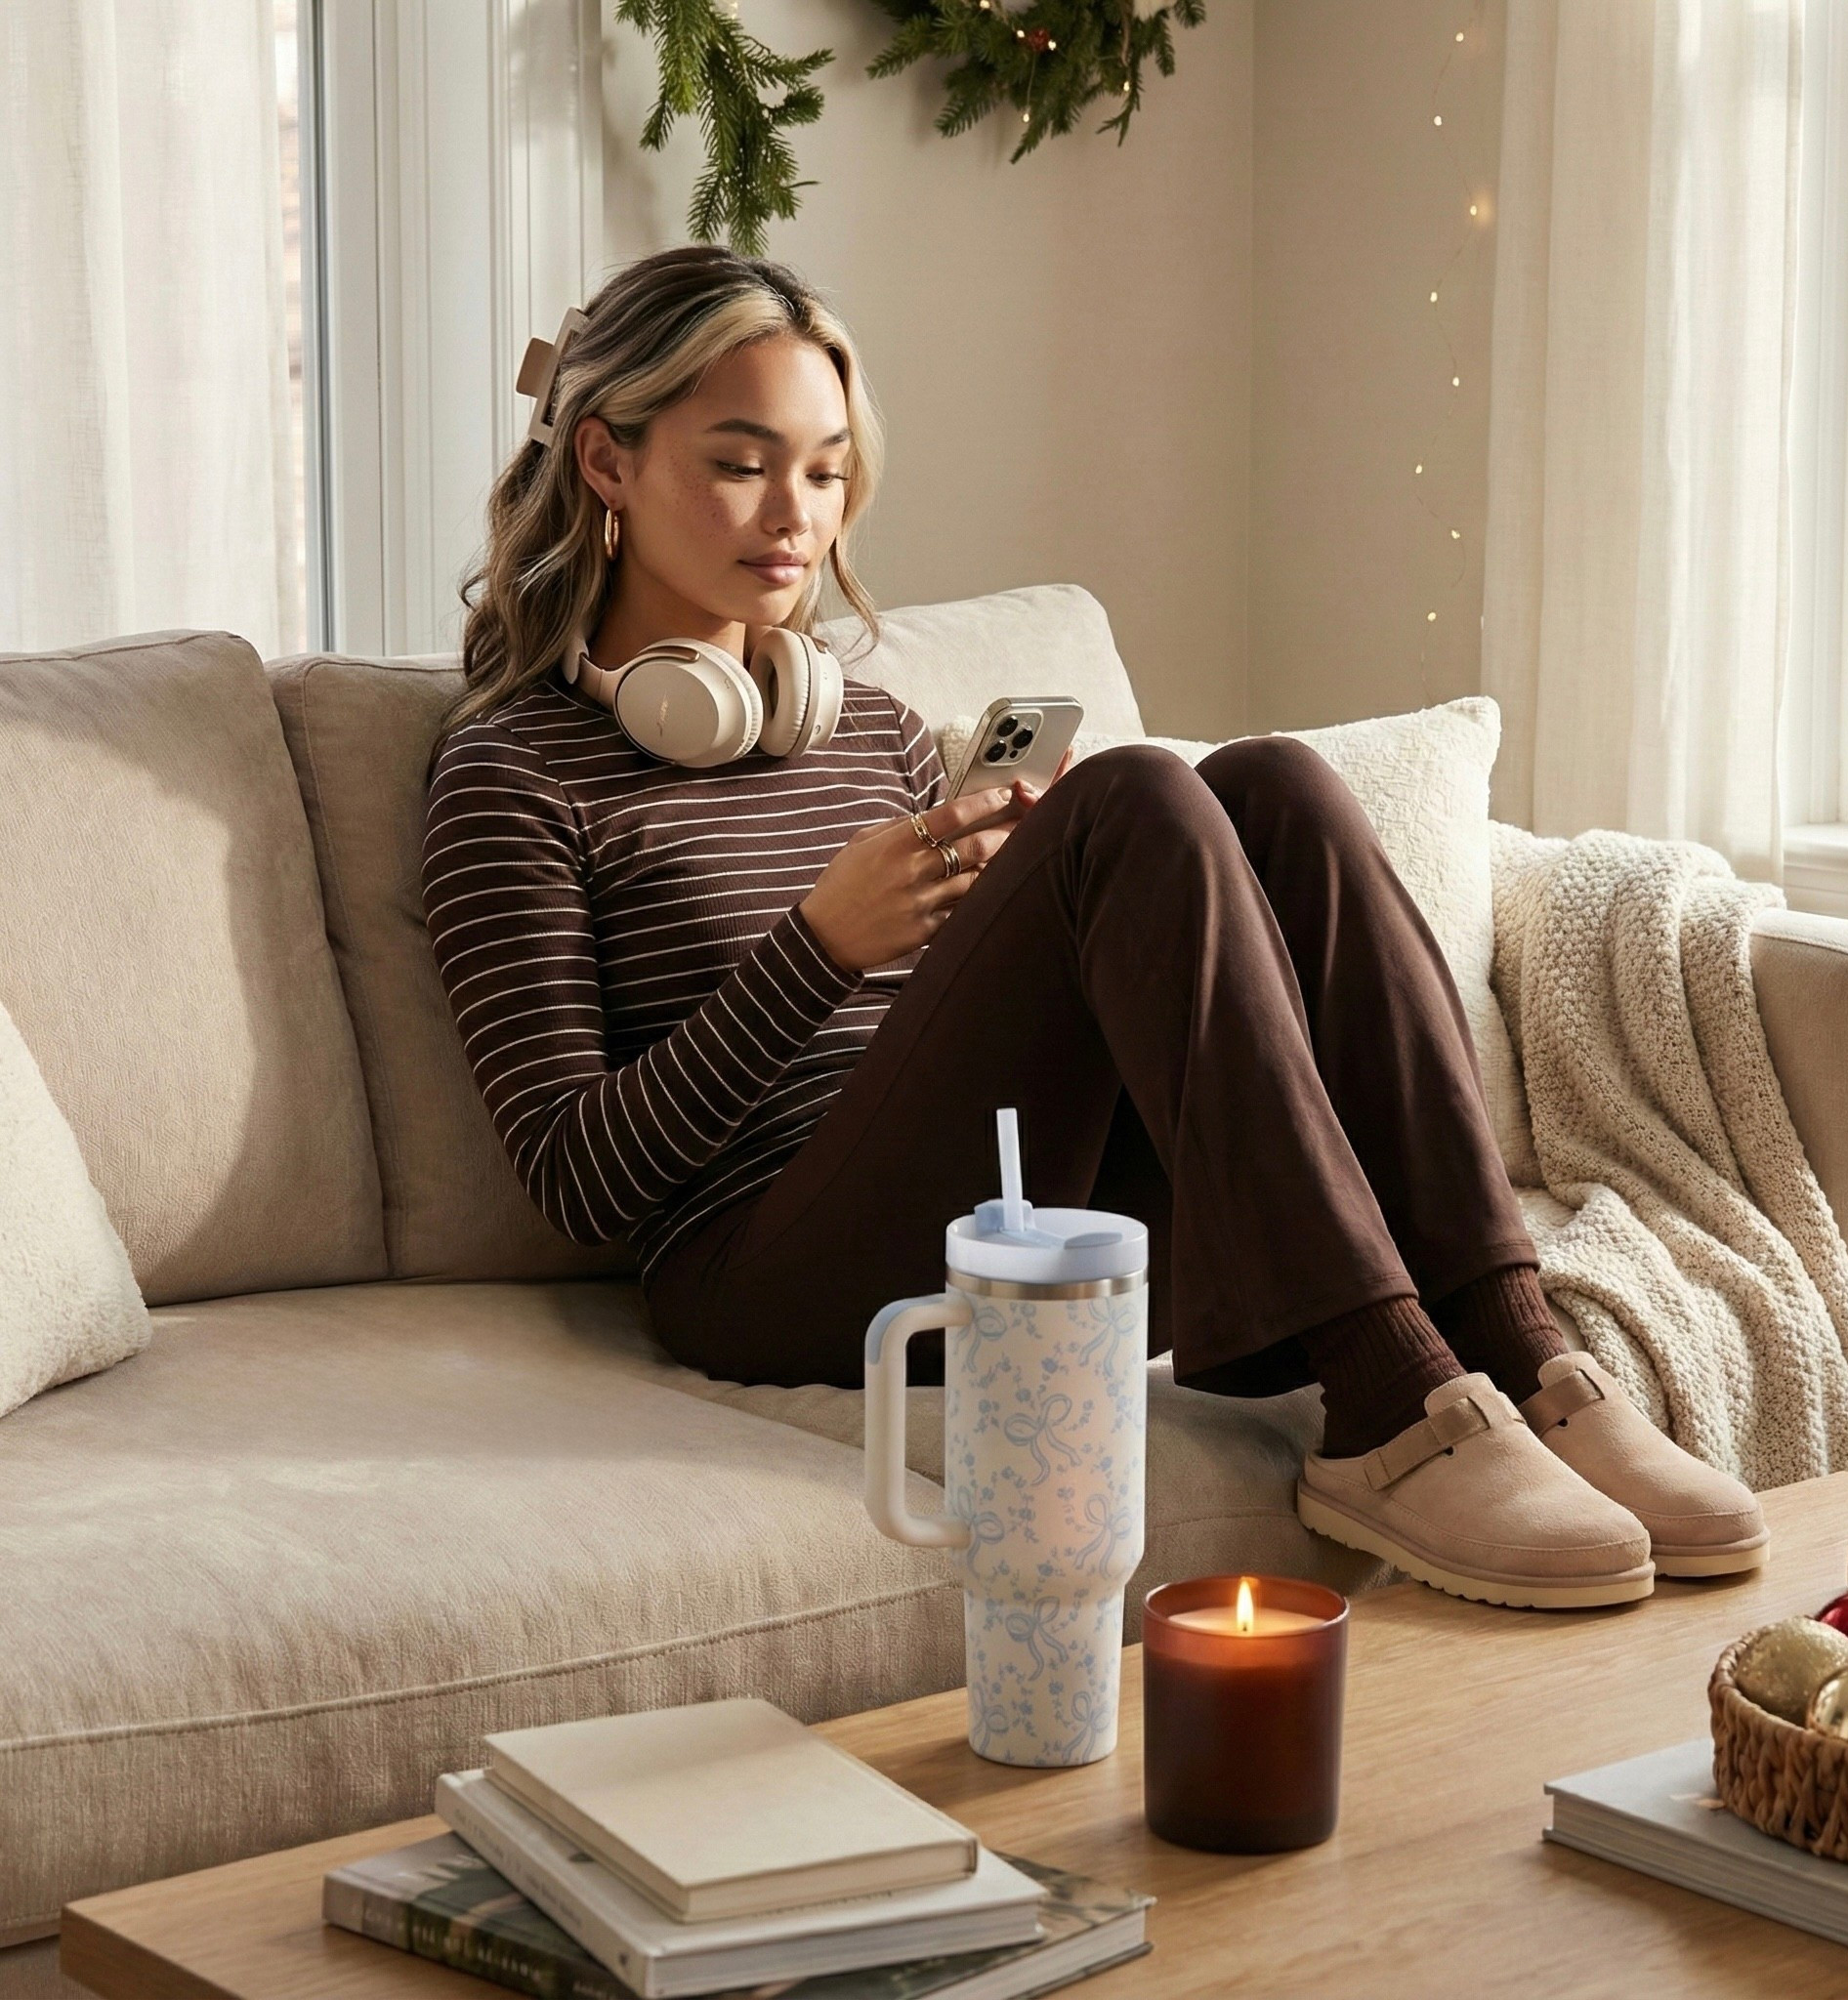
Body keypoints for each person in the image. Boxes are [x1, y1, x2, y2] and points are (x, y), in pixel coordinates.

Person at [423, 244, 1766, 1612]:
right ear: (605, 462)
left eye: (826, 471)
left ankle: (1524, 1357)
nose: (797, 518)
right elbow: (576, 1176)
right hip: (763, 1275)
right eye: (741, 461)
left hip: (1002, 1209)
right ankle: (1382, 1406)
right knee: (1134, 796)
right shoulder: (510, 775)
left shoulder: (870, 724)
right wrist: (819, 947)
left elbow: (964, 1050)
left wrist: (1023, 907)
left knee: (1275, 787)